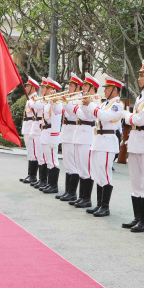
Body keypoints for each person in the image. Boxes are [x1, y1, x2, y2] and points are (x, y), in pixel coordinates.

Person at [122, 60, 144, 232]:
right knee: (136, 181)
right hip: (135, 140)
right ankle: (137, 218)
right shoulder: (141, 96)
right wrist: (131, 117)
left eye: (142, 76)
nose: (138, 78)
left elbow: (141, 119)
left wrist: (127, 116)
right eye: (139, 75)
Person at [82, 76, 124, 217]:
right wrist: (85, 103)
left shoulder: (117, 104)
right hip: (99, 140)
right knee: (98, 173)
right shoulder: (105, 103)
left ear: (115, 90)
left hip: (107, 141)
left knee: (105, 173)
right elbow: (91, 115)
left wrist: (91, 104)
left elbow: (104, 116)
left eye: (107, 87)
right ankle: (99, 204)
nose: (104, 90)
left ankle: (105, 206)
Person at [71, 73, 101, 208]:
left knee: (86, 168)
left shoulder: (95, 101)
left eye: (86, 86)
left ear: (93, 88)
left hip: (87, 136)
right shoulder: (86, 100)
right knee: (80, 167)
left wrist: (75, 106)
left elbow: (85, 116)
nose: (83, 88)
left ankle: (87, 198)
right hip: (79, 135)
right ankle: (82, 196)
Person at [57, 73, 83, 201]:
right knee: (67, 163)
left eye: (71, 85)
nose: (69, 88)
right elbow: (61, 111)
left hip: (73, 131)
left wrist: (65, 102)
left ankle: (72, 192)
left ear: (78, 87)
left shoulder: (79, 99)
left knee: (72, 163)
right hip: (67, 131)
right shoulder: (71, 98)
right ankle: (68, 190)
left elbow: (72, 113)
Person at [36, 78, 63, 194]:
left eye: (47, 88)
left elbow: (56, 121)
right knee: (48, 160)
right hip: (46, 134)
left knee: (53, 160)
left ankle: (53, 185)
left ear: (53, 90)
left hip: (51, 135)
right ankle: (49, 183)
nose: (45, 90)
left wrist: (54, 138)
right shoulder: (48, 102)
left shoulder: (56, 103)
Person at [19, 77, 40, 184]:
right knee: (29, 152)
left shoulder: (35, 99)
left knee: (33, 152)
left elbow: (38, 115)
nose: (26, 87)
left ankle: (33, 176)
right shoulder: (30, 99)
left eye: (28, 86)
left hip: (32, 128)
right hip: (27, 127)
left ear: (33, 88)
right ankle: (30, 174)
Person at [30, 78, 48, 189]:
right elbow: (32, 103)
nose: (42, 90)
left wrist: (35, 100)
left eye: (44, 88)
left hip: (43, 130)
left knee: (43, 156)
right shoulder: (41, 99)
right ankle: (41, 179)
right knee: (39, 155)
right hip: (38, 129)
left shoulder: (44, 100)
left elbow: (33, 104)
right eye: (41, 87)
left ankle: (44, 180)